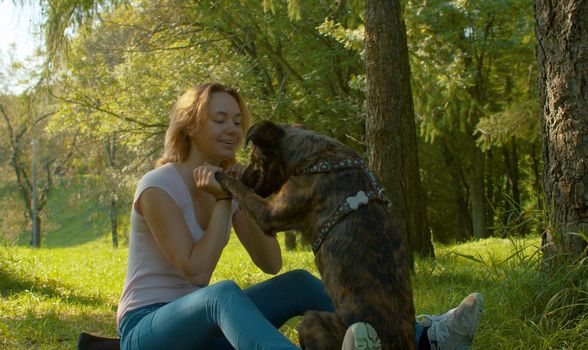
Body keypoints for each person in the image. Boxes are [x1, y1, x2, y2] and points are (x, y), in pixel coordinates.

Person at [116, 82, 483, 350]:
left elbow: (270, 262)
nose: (232, 129)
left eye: (236, 121)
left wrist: (236, 193)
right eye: (218, 120)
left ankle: (425, 339)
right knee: (220, 294)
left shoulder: (228, 183)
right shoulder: (158, 186)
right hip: (148, 329)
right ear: (191, 125)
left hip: (206, 336)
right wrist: (224, 199)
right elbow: (196, 272)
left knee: (297, 283)